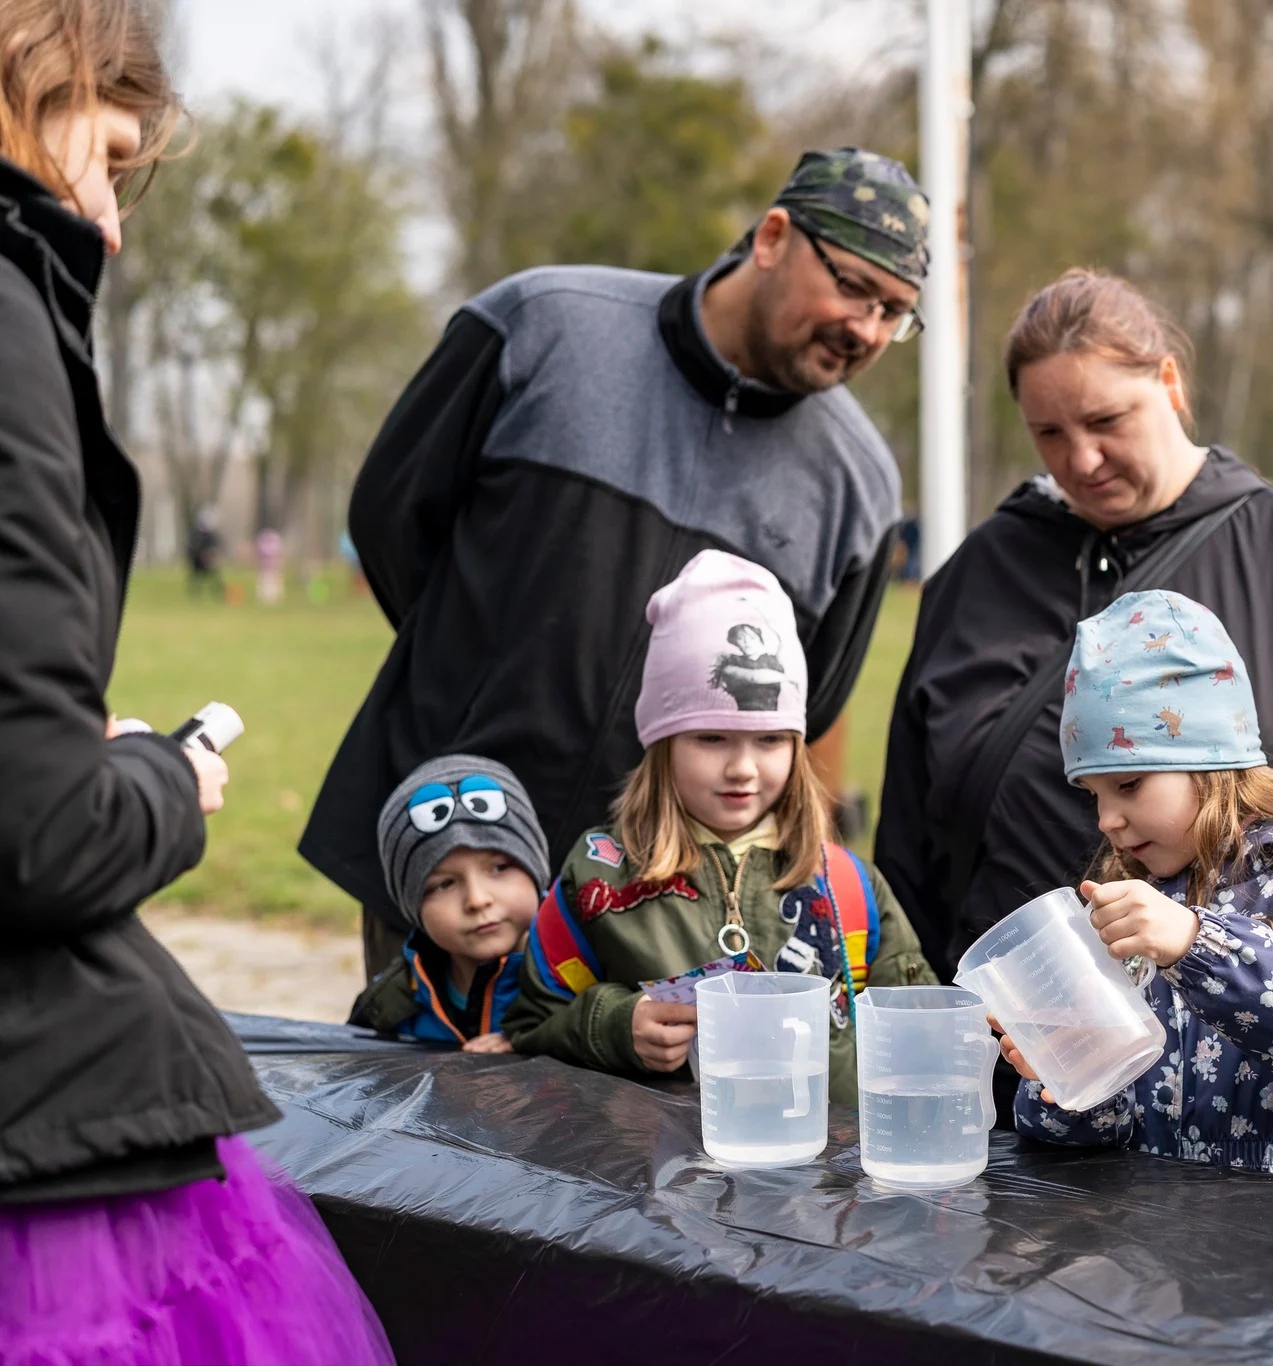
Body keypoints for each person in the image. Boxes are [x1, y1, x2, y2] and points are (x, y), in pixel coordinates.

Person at [0, 4, 391, 1361]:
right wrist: (159, 774)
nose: (108, 220)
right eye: (106, 158)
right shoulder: (6, 318)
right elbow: (43, 835)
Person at [302, 147, 927, 989]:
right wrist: (483, 677)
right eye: (854, 287)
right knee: (417, 1107)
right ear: (773, 237)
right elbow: (390, 521)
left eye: (895, 313)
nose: (867, 329)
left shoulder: (860, 484)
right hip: (455, 854)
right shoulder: (539, 325)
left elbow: (802, 706)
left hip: (653, 920)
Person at [877, 269, 1273, 986]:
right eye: (1049, 433)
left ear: (1170, 382)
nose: (1081, 459)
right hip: (1013, 1040)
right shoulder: (980, 569)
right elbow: (909, 821)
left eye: (1107, 421)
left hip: (1245, 1041)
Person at [994, 591, 1273, 1189]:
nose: (1107, 819)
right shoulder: (1125, 899)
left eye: (1128, 785)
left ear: (1211, 762)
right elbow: (1104, 1131)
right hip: (1156, 1240)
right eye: (1094, 795)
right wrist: (1072, 1079)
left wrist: (1198, 946)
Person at [505, 551, 934, 1103]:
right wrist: (615, 1025)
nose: (743, 768)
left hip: (829, 1181)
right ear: (662, 746)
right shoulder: (597, 883)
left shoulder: (850, 887)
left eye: (770, 740)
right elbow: (531, 1022)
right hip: (663, 1181)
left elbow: (919, 1035)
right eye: (711, 739)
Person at [348, 756, 549, 1051]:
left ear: (536, 870)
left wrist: (541, 1040)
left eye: (499, 868)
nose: (478, 900)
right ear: (413, 908)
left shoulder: (582, 975)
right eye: (444, 884)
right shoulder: (390, 1006)